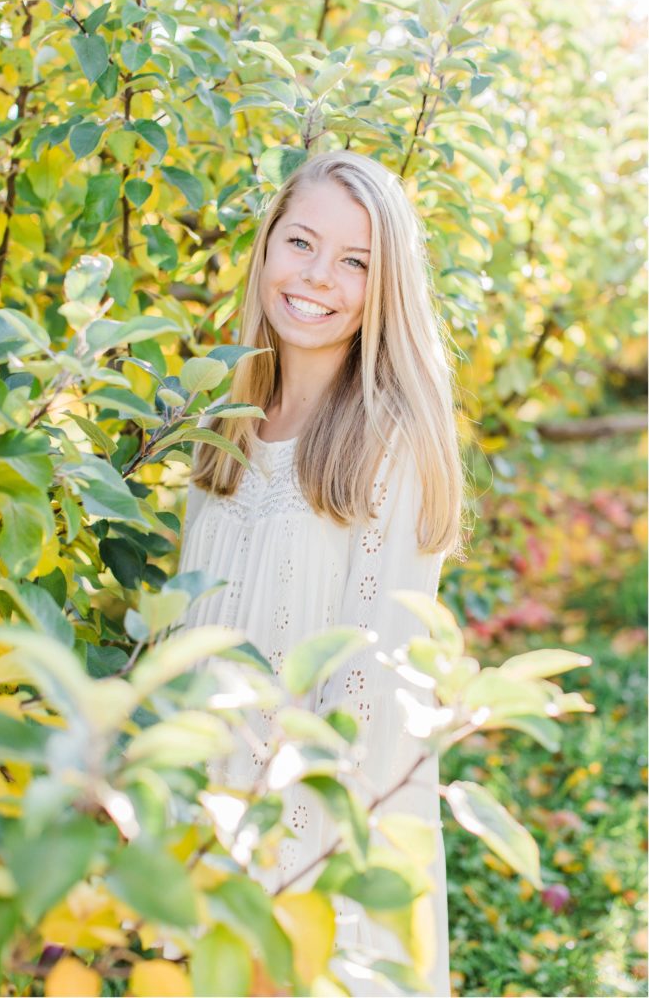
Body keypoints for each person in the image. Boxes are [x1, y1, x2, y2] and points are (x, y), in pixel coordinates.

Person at [177, 150, 465, 996]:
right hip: (207, 822)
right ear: (266, 248)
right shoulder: (224, 420)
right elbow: (184, 635)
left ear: (385, 287)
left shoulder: (388, 441)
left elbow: (372, 687)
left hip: (310, 838)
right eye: (300, 243)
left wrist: (291, 872)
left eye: (354, 262)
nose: (317, 278)